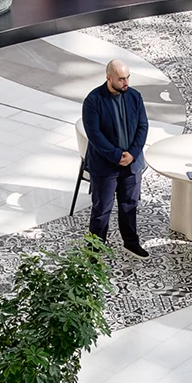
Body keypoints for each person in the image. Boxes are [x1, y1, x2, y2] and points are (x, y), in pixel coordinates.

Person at [82, 59, 150, 258]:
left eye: (127, 77)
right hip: (105, 165)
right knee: (101, 209)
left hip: (131, 163)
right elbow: (94, 135)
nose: (126, 82)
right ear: (109, 78)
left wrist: (132, 154)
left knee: (129, 205)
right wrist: (116, 155)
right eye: (121, 79)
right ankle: (94, 250)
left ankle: (131, 243)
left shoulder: (135, 97)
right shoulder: (93, 100)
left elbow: (143, 127)